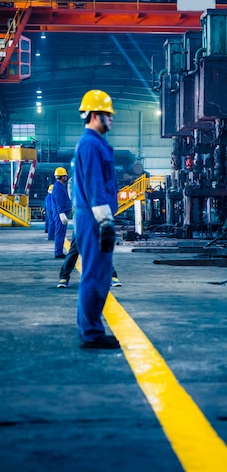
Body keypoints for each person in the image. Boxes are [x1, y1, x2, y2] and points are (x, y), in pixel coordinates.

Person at [72, 89, 120, 349]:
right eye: (106, 115)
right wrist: (104, 220)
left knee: (99, 273)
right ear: (93, 115)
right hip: (93, 218)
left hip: (94, 215)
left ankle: (91, 329)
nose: (111, 120)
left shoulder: (96, 143)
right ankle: (91, 334)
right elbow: (94, 185)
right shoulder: (90, 144)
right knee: (95, 274)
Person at [51, 167, 71, 258]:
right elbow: (59, 201)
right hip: (60, 214)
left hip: (60, 212)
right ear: (62, 177)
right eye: (65, 176)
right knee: (60, 233)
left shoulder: (59, 186)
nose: (66, 178)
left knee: (61, 233)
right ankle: (58, 252)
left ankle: (59, 251)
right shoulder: (58, 188)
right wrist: (61, 213)